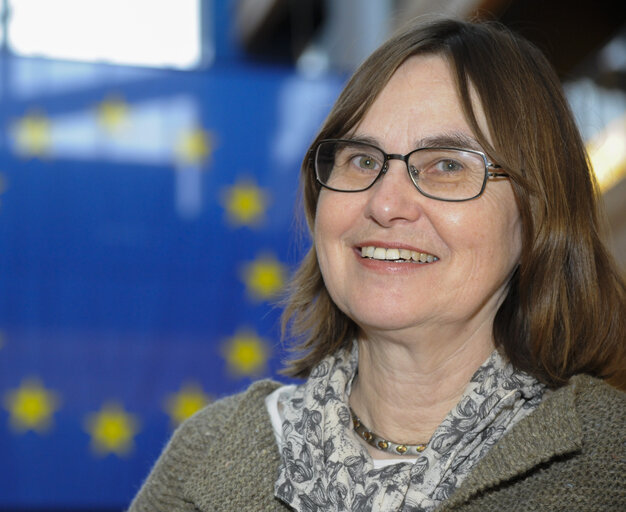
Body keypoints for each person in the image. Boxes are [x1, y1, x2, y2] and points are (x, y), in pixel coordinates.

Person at [129, 18, 626, 511]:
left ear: (538, 212)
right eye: (363, 160)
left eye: (447, 165)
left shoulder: (610, 462)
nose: (385, 204)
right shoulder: (207, 457)